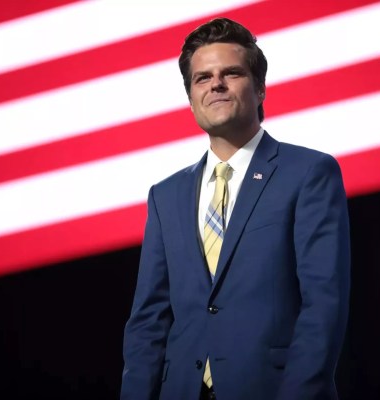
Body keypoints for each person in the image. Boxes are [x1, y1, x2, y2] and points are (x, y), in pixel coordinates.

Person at [120, 18, 350, 400]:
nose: (216, 84)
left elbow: (323, 307)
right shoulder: (165, 196)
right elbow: (148, 322)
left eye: (231, 73)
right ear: (191, 96)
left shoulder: (309, 172)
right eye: (202, 78)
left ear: (259, 88)